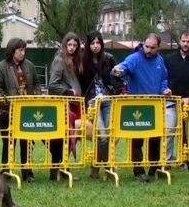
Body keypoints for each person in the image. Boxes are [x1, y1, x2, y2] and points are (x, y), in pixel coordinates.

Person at [112, 33, 172, 182]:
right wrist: (118, 70)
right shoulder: (135, 58)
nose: (148, 50)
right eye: (146, 46)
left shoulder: (160, 61)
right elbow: (124, 67)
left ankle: (154, 167)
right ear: (142, 44)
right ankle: (138, 170)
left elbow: (163, 78)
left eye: (152, 47)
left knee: (155, 138)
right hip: (137, 105)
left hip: (155, 106)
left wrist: (165, 89)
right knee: (136, 139)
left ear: (158, 47)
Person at [0, 38, 40, 182]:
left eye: (24, 50)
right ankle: (7, 171)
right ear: (12, 51)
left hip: (27, 111)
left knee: (27, 141)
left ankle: (27, 173)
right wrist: (7, 99)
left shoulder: (29, 66)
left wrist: (37, 92)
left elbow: (37, 83)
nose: (23, 53)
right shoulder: (1, 67)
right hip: (8, 112)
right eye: (20, 50)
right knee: (9, 142)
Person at [80, 31, 124, 179]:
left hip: (108, 100)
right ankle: (109, 167)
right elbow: (81, 83)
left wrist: (118, 80)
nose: (95, 46)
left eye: (98, 43)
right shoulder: (83, 61)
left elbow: (118, 81)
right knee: (103, 136)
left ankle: (95, 167)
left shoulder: (109, 58)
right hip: (92, 102)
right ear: (88, 45)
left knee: (111, 135)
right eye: (92, 43)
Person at [48, 32, 83, 181]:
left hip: (74, 104)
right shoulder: (60, 60)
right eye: (69, 44)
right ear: (64, 44)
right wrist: (67, 91)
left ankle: (62, 169)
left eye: (75, 45)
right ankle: (58, 170)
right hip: (63, 104)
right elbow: (52, 84)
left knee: (70, 138)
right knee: (61, 138)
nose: (72, 48)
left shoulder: (75, 60)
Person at [164, 29, 189, 170]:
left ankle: (186, 160)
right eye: (183, 41)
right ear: (180, 41)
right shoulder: (169, 59)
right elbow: (164, 79)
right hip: (172, 101)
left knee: (188, 133)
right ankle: (168, 160)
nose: (186, 44)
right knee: (170, 130)